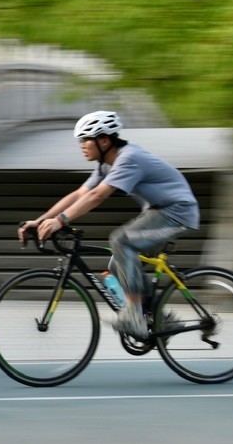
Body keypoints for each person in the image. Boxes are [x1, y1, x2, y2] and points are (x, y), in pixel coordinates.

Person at [17, 110, 199, 339]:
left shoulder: (128, 158)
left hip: (177, 212)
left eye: (85, 139)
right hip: (156, 211)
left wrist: (61, 220)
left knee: (121, 241)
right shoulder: (106, 164)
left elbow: (97, 196)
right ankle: (160, 318)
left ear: (103, 140)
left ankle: (134, 315)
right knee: (117, 264)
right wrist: (42, 220)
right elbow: (80, 193)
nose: (81, 145)